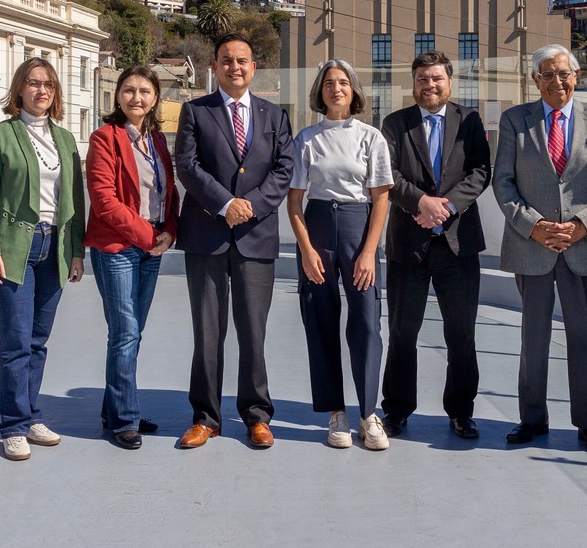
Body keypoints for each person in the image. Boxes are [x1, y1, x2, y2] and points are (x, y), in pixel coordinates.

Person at [493, 44, 587, 455]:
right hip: (533, 247)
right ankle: (531, 418)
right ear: (535, 80)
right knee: (533, 339)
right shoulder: (515, 121)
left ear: (577, 76)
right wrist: (536, 227)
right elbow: (504, 183)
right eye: (547, 74)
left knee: (584, 338)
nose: (557, 81)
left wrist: (582, 226)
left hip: (582, 248)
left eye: (563, 73)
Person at [174, 33, 294, 450]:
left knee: (253, 333)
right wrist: (226, 204)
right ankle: (206, 417)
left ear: (253, 67)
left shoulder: (274, 116)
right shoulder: (195, 111)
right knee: (208, 333)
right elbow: (186, 166)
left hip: (256, 238)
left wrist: (252, 205)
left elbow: (284, 169)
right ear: (215, 66)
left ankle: (256, 416)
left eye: (242, 60)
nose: (235, 66)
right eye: (227, 60)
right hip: (207, 235)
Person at [0, 57, 86, 462]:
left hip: (54, 247)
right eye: (34, 83)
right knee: (16, 342)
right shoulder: (0, 135)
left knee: (38, 341)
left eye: (49, 85)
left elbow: (75, 201)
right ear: (19, 89)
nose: (42, 91)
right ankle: (13, 426)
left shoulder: (66, 140)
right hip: (15, 249)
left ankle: (32, 413)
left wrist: (76, 251)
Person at [380, 51, 491, 441]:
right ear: (413, 85)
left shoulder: (470, 121)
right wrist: (420, 203)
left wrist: (444, 207)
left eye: (437, 79)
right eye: (423, 79)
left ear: (449, 82)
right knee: (402, 332)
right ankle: (395, 410)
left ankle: (461, 412)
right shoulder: (394, 123)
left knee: (461, 334)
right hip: (408, 245)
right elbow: (387, 174)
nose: (430, 85)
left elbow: (481, 171)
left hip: (458, 245)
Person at [287, 60, 393, 450]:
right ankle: (336, 413)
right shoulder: (306, 139)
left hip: (357, 225)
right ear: (320, 91)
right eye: (329, 83)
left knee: (366, 322)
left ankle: (368, 414)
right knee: (320, 320)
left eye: (344, 82)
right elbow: (295, 201)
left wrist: (369, 251)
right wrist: (306, 249)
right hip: (317, 225)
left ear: (354, 91)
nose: (336, 89)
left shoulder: (371, 138)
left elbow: (381, 198)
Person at [84, 66, 180, 450]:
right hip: (118, 249)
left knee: (131, 333)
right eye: (128, 90)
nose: (136, 98)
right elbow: (104, 199)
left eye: (144, 91)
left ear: (155, 97)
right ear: (117, 96)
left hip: (151, 248)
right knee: (124, 332)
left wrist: (169, 232)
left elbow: (168, 193)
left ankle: (114, 408)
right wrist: (147, 235)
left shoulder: (156, 141)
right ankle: (125, 419)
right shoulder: (104, 137)